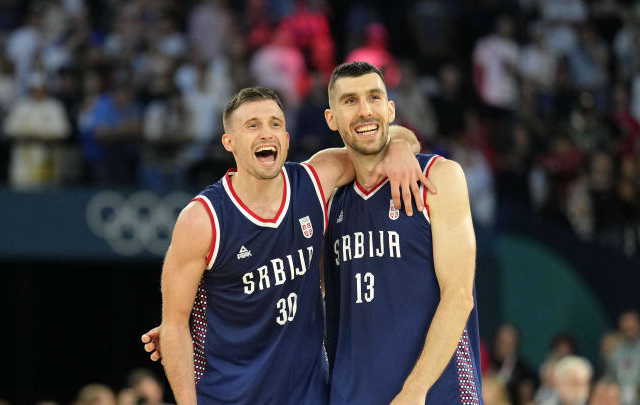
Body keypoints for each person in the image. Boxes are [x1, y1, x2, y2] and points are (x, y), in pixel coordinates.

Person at [153, 86, 432, 404]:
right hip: (229, 396)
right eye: (253, 125)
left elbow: (386, 143)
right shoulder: (203, 219)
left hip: (307, 394)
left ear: (286, 138)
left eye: (274, 123)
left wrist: (396, 150)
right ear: (229, 142)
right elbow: (174, 327)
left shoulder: (314, 181)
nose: (266, 133)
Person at [321, 61, 481, 405]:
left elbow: (459, 296)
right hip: (353, 394)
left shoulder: (439, 176)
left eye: (374, 97)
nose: (365, 110)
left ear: (390, 109)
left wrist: (415, 390)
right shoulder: (329, 197)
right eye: (350, 101)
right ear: (331, 119)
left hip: (436, 393)